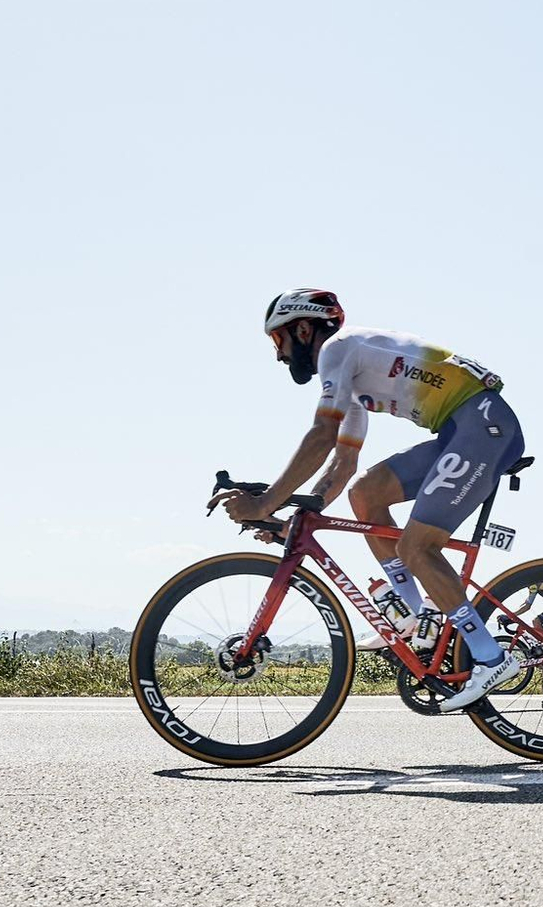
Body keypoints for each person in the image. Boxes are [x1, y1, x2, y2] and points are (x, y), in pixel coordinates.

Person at [225, 290, 525, 712]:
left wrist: (263, 504)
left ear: (304, 328)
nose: (278, 356)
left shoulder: (337, 349)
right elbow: (342, 464)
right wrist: (291, 517)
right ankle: (419, 617)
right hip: (461, 430)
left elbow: (320, 437)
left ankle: (491, 656)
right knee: (365, 494)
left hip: (482, 425)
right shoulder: (350, 383)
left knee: (417, 547)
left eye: (278, 341)